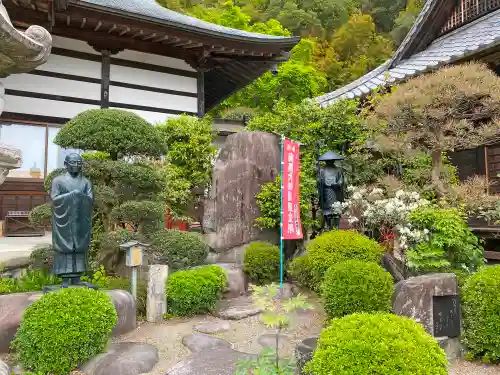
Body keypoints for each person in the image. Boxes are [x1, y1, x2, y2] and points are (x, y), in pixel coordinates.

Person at [50, 153, 94, 288]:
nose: (76, 166)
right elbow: (54, 199)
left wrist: (79, 196)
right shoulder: (58, 181)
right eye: (73, 163)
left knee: (79, 248)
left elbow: (90, 200)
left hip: (80, 220)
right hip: (65, 221)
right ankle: (64, 280)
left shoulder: (86, 182)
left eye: (79, 163)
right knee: (65, 247)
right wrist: (71, 196)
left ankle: (77, 278)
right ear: (65, 164)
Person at [317, 151, 346, 230]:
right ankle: (328, 226)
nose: (329, 162)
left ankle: (336, 227)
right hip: (326, 192)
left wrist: (337, 183)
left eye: (331, 160)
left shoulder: (338, 170)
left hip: (336, 192)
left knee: (336, 210)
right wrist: (323, 182)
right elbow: (319, 181)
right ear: (325, 161)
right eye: (328, 161)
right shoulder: (322, 170)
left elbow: (341, 181)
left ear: (334, 161)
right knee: (327, 210)